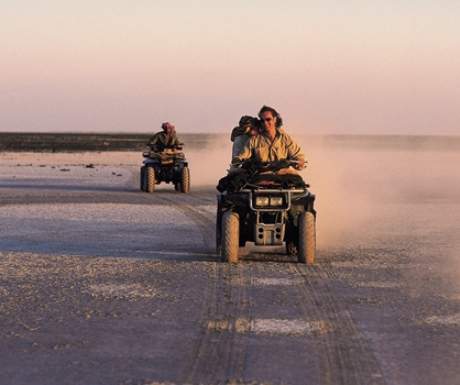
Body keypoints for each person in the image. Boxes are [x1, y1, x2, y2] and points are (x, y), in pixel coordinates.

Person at [232, 106, 305, 172]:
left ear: (275, 119)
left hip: (282, 174)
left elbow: (297, 155)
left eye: (268, 119)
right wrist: (238, 160)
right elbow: (243, 155)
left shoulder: (284, 137)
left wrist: (299, 162)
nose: (265, 123)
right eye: (262, 121)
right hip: (259, 175)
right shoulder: (252, 139)